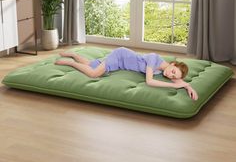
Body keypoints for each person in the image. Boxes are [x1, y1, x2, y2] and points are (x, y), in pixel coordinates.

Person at [55, 47, 198, 100]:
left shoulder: (162, 70)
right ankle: (71, 63)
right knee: (94, 74)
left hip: (119, 63)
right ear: (173, 64)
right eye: (173, 72)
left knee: (90, 64)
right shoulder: (154, 59)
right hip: (120, 55)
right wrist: (174, 87)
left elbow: (178, 81)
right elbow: (149, 81)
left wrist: (188, 87)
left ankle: (73, 55)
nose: (170, 76)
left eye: (173, 76)